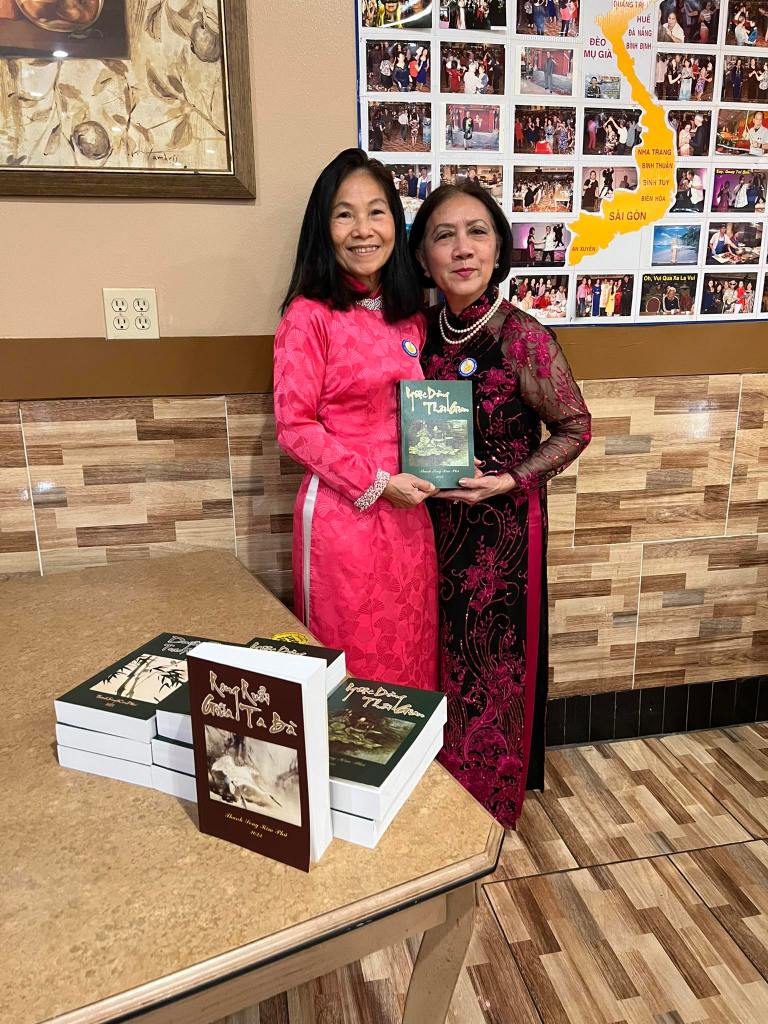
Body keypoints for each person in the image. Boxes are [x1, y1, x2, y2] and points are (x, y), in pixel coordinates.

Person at [408, 182, 591, 827]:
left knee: (493, 659)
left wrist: (511, 480)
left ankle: (486, 795)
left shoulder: (522, 337)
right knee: (436, 649)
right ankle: (431, 782)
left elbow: (574, 428)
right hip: (427, 523)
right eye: (444, 235)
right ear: (423, 256)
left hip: (502, 533)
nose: (463, 249)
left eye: (477, 232)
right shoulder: (416, 333)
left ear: (499, 247)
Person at [274, 149, 438, 689]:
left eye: (376, 212)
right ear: (323, 229)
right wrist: (379, 483)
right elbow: (294, 427)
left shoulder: (408, 315)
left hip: (410, 516)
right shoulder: (308, 316)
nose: (362, 230)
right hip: (344, 519)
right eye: (344, 214)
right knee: (353, 666)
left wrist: (448, 461)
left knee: (410, 652)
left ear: (396, 222)